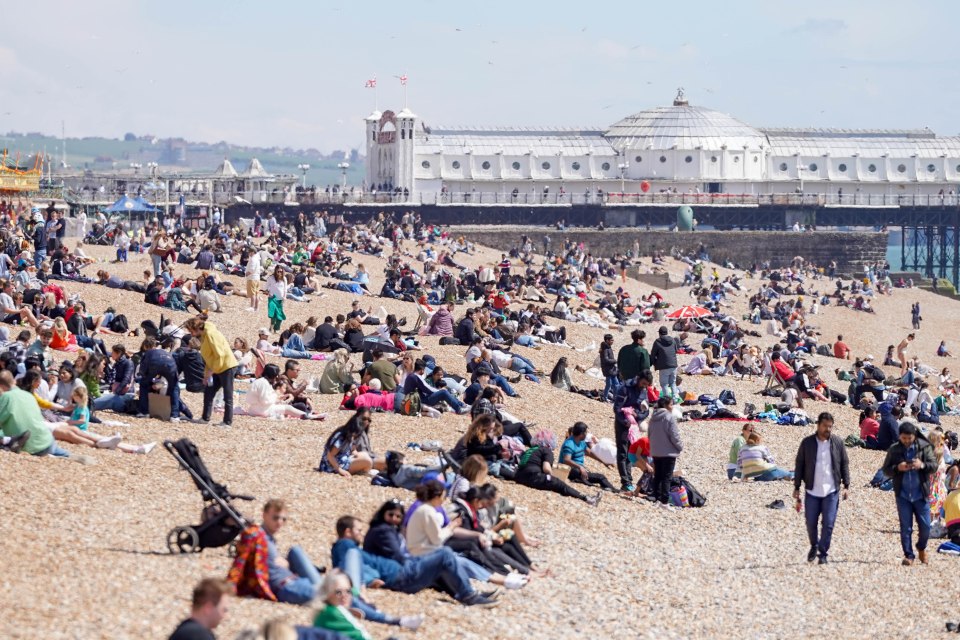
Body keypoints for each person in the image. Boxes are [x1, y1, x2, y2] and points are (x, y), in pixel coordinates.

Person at [227, 499, 323, 604]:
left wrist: (286, 563)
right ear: (264, 515)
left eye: (283, 519)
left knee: (296, 550)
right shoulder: (255, 534)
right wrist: (229, 586)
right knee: (329, 594)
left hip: (296, 581)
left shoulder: (269, 538)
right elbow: (240, 561)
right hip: (286, 587)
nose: (279, 522)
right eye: (276, 518)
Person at [793, 412, 850, 564]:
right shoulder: (807, 443)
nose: (827, 429)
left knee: (829, 523)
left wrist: (847, 485)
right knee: (811, 522)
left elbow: (844, 463)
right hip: (812, 490)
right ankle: (814, 544)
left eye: (830, 427)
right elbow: (799, 464)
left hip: (832, 491)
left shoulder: (837, 442)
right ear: (818, 425)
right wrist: (797, 486)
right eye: (825, 426)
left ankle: (823, 553)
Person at [882, 422, 937, 565]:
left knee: (926, 527)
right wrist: (897, 468)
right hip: (903, 495)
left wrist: (922, 465)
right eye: (904, 438)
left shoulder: (924, 447)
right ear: (899, 436)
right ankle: (909, 555)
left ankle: (921, 547)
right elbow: (886, 470)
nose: (906, 441)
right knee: (905, 527)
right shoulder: (894, 449)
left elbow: (934, 466)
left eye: (909, 438)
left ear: (914, 436)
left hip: (921, 494)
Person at [514, 429, 601, 505]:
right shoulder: (546, 450)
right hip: (533, 477)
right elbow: (546, 468)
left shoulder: (530, 450)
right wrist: (553, 476)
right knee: (561, 485)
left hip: (519, 476)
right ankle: (587, 499)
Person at [184, 317, 238, 427]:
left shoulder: (211, 334)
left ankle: (227, 422)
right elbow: (210, 357)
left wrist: (211, 371)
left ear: (196, 328)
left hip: (227, 366)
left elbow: (220, 355)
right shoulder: (203, 336)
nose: (191, 334)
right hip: (216, 367)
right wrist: (206, 375)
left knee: (227, 395)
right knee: (208, 392)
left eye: (191, 331)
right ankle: (205, 418)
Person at [612, 371, 653, 491]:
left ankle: (628, 479)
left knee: (631, 452)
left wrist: (637, 416)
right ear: (638, 378)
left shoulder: (644, 391)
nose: (644, 386)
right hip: (623, 424)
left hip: (634, 426)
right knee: (623, 452)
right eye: (643, 383)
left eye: (647, 385)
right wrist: (625, 421)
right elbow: (617, 408)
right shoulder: (625, 388)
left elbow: (646, 411)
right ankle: (625, 482)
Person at [559, 422, 615, 490]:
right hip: (568, 470)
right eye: (586, 432)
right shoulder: (569, 444)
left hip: (578, 469)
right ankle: (615, 490)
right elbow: (566, 460)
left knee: (588, 475)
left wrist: (603, 461)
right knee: (600, 477)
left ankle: (581, 479)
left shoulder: (581, 441)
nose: (586, 434)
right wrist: (580, 467)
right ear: (581, 434)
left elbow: (589, 452)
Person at [648, 396, 683, 504]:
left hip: (656, 451)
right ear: (665, 405)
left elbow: (649, 435)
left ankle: (656, 497)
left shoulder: (653, 417)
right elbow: (674, 435)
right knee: (667, 477)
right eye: (671, 404)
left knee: (657, 475)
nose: (672, 407)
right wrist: (680, 446)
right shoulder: (669, 417)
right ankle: (664, 501)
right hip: (668, 452)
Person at [650, 326, 679, 399]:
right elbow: (676, 350)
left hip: (663, 366)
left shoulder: (657, 342)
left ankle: (667, 400)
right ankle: (675, 399)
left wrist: (652, 363)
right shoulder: (672, 340)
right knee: (672, 383)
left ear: (659, 333)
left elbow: (653, 354)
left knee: (664, 384)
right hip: (673, 365)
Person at [266, 265, 288, 333]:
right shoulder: (271, 278)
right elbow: (266, 287)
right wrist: (269, 292)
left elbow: (285, 289)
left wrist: (284, 296)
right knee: (273, 314)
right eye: (278, 271)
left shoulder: (284, 279)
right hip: (272, 298)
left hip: (280, 299)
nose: (279, 273)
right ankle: (271, 327)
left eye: (281, 271)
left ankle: (276, 328)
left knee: (279, 315)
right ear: (275, 271)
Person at [599, 333, 620, 402]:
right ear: (607, 340)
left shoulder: (608, 347)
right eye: (611, 340)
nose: (612, 341)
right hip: (608, 370)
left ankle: (615, 399)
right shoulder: (605, 349)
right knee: (609, 385)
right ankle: (604, 398)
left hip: (612, 369)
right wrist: (614, 361)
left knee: (616, 384)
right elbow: (606, 360)